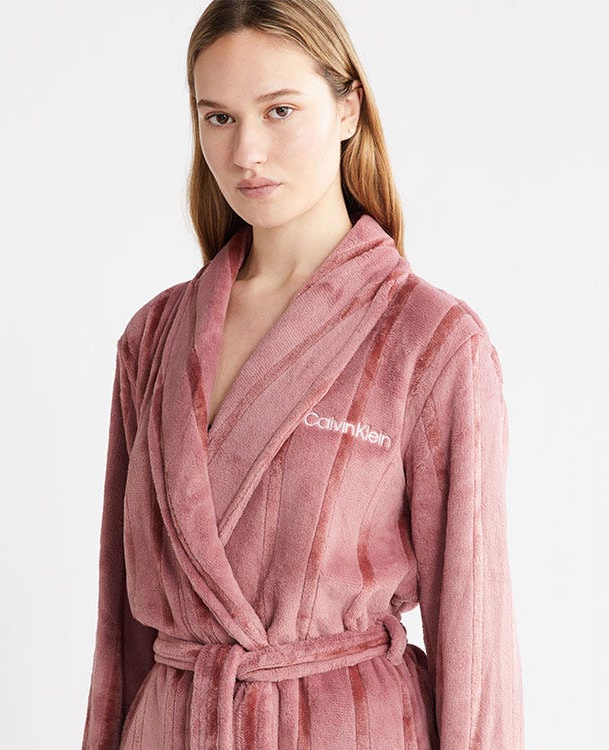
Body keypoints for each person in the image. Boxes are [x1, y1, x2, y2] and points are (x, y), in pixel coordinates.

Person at [82, 1, 524, 748]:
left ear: (348, 108)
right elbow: (120, 632)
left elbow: (475, 636)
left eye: (279, 110)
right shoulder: (154, 338)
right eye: (218, 118)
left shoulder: (432, 341)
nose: (246, 151)